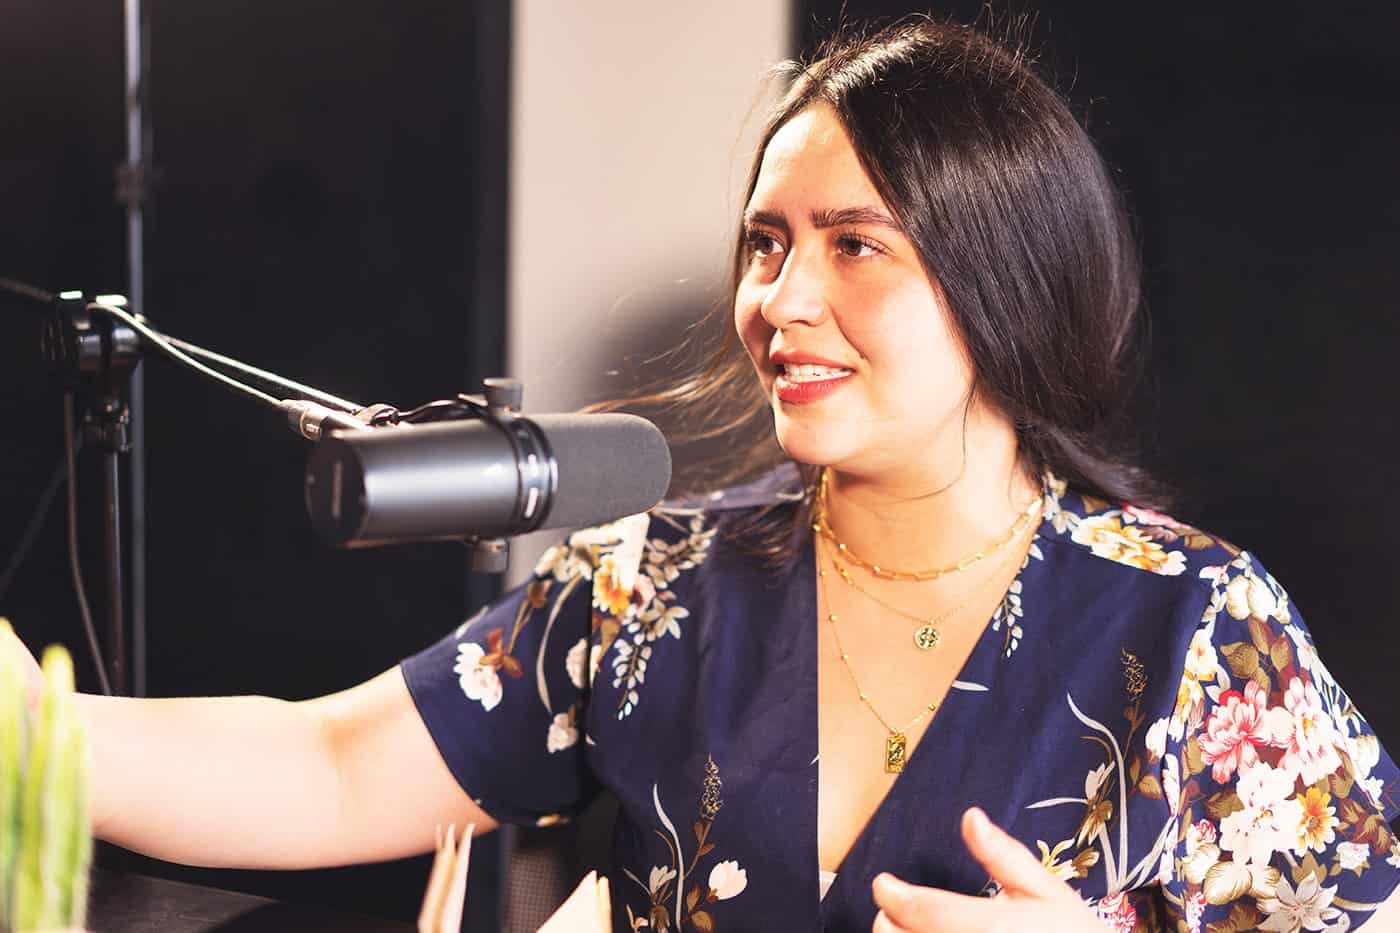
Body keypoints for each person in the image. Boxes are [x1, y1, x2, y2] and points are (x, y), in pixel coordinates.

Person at [6, 17, 1400, 932]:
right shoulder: (655, 587)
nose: (780, 301)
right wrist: (32, 727)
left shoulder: (1199, 626)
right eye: (765, 244)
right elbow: (329, 763)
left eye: (855, 245)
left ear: (1006, 283)